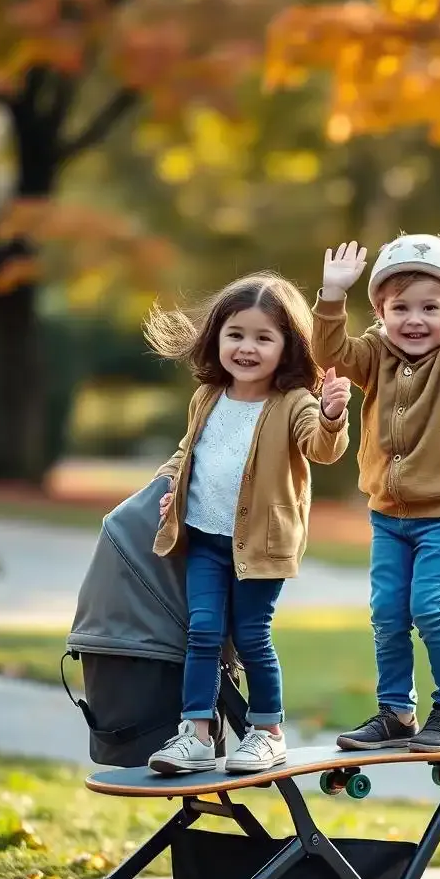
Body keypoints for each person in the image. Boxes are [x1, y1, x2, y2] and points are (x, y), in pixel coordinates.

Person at [312, 217, 440, 753]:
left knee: (429, 606)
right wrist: (332, 295)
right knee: (388, 613)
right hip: (387, 514)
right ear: (381, 313)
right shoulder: (374, 356)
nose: (415, 319)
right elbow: (330, 354)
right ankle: (396, 712)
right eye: (400, 307)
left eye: (431, 307)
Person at [143, 272, 351, 776]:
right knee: (203, 632)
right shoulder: (208, 397)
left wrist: (331, 415)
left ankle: (266, 732)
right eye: (236, 334)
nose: (247, 348)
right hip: (205, 540)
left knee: (252, 634)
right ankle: (196, 734)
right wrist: (167, 481)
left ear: (289, 347)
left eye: (264, 338)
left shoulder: (294, 403)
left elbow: (323, 450)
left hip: (262, 543)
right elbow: (187, 450)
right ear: (217, 337)